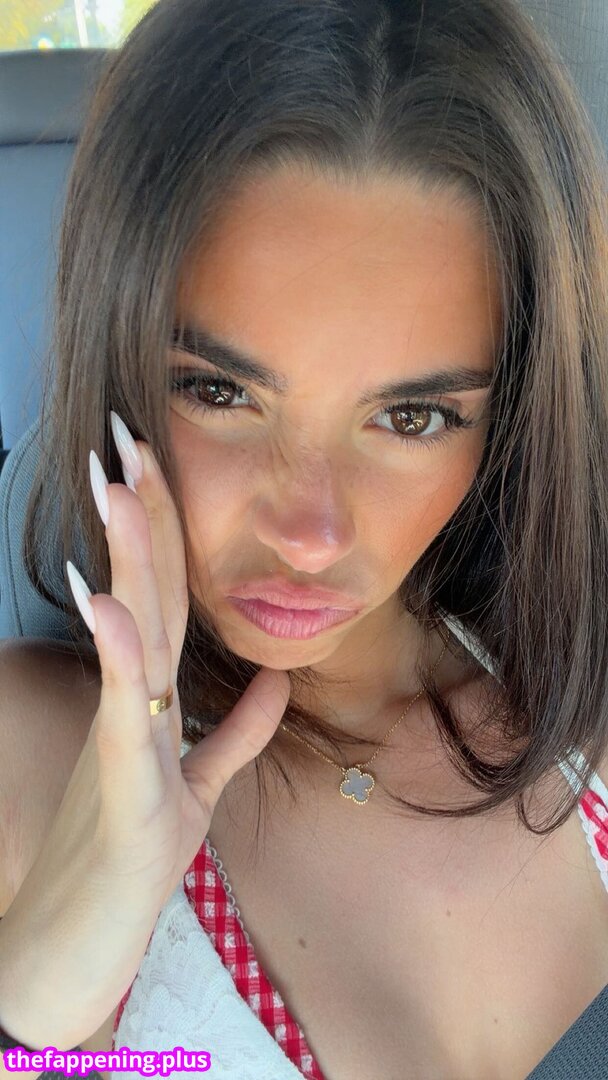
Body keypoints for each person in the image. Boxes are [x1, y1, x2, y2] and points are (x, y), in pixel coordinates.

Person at [1, 0, 607, 1077]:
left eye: (411, 417)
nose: (311, 535)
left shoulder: (582, 691)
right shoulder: (23, 753)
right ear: (120, 358)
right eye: (219, 392)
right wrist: (42, 996)